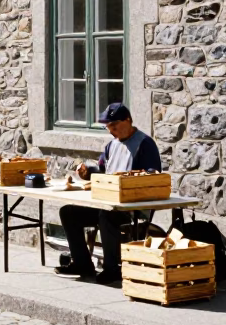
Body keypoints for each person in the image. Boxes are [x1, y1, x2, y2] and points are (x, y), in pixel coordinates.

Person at [53, 102, 162, 284]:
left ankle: (112, 269)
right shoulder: (111, 146)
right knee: (68, 212)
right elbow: (102, 171)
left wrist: (129, 181)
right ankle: (82, 264)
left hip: (132, 208)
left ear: (128, 120)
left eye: (114, 126)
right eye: (108, 127)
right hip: (108, 203)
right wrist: (88, 172)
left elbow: (153, 176)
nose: (111, 131)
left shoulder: (145, 144)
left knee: (106, 216)